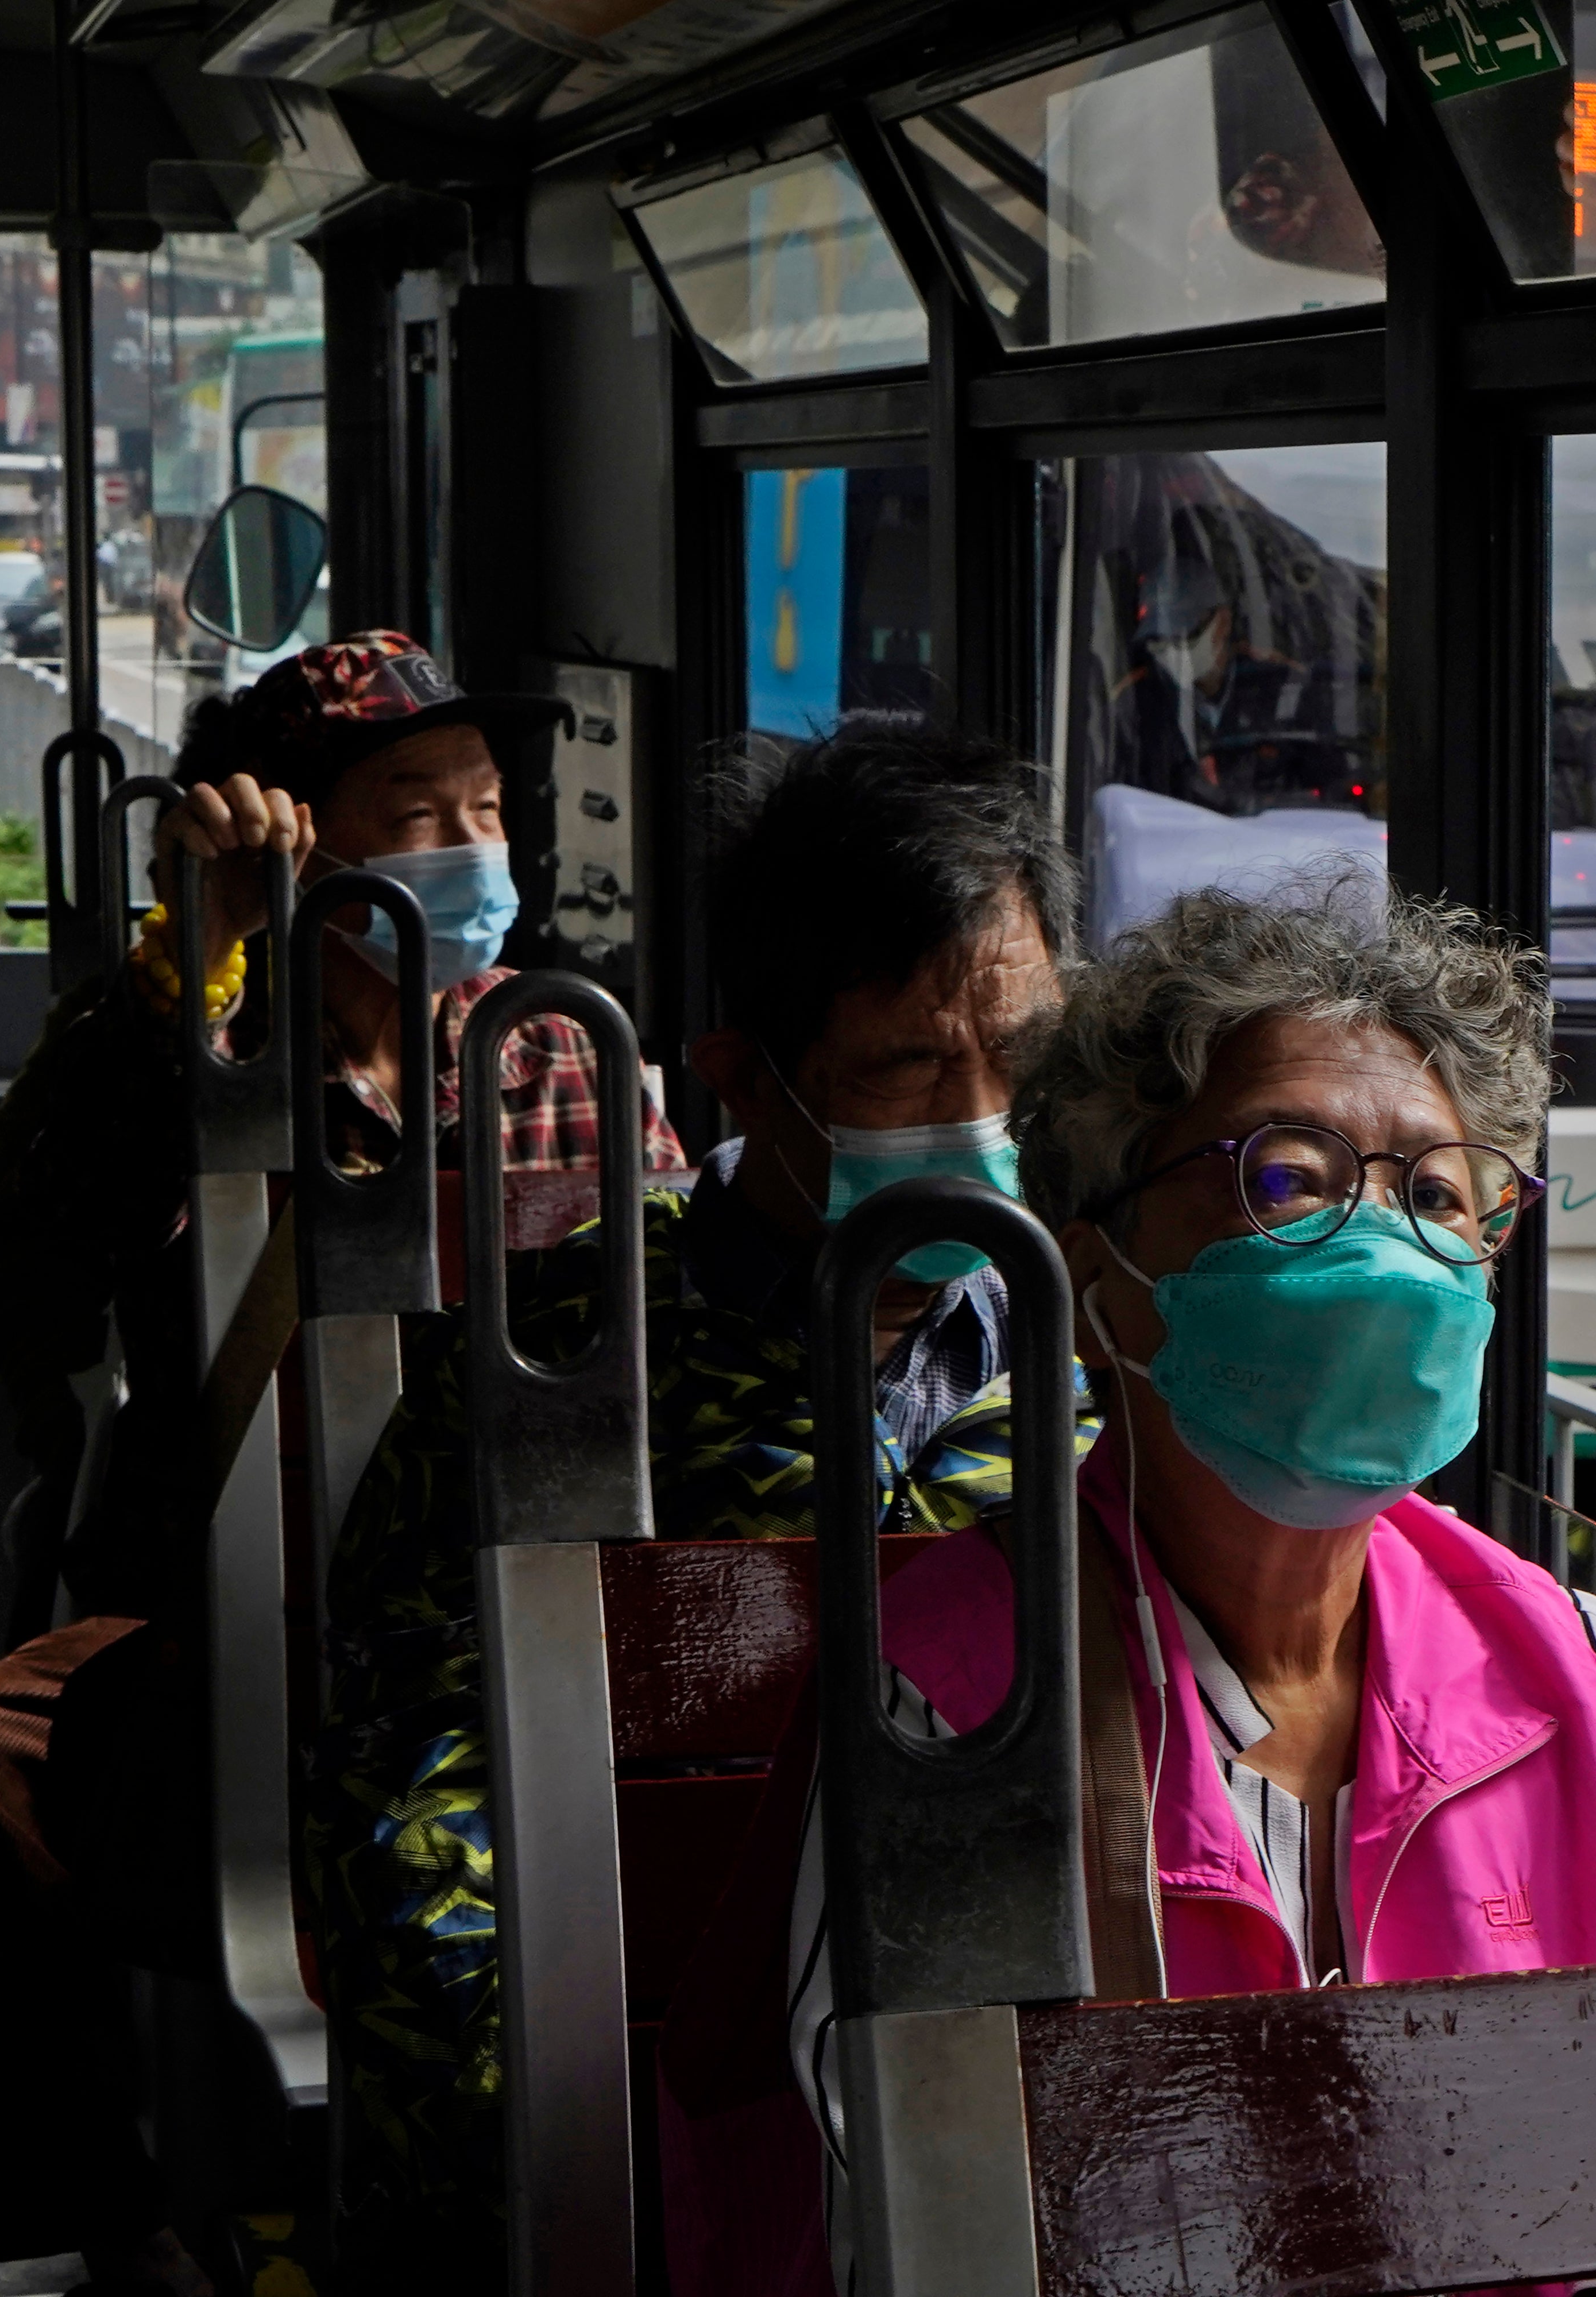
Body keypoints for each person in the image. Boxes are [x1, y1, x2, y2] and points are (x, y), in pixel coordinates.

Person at [662, 878, 1596, 2297]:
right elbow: (917, 2218)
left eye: (1440, 1194)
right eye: (1291, 1173)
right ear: (1095, 1269)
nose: (1384, 1243)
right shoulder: (953, 1693)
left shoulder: (1569, 1661)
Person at [0, 632, 640, 2296]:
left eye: (489, 809)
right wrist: (184, 970)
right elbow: (49, 1269)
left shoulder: (557, 1051)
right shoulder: (196, 1057)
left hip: (516, 1589)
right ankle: (109, 2222)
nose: (474, 852)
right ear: (306, 844)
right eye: (419, 815)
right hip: (250, 1600)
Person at [305, 724, 1089, 2283]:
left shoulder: (1098, 1366)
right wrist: (654, 2178)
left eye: (1022, 1055)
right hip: (631, 2120)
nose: (984, 1116)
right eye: (909, 1070)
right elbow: (415, 1831)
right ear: (744, 1078)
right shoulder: (560, 1366)